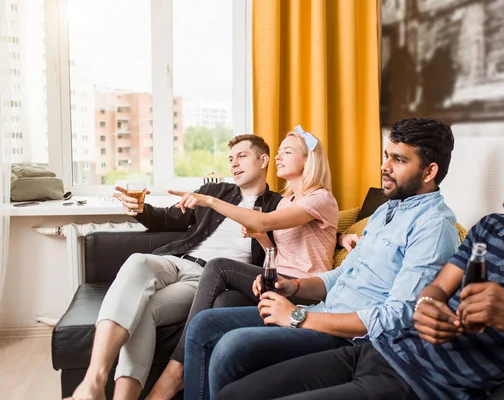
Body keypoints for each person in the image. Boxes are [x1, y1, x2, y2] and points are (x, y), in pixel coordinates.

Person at [218, 124, 504, 400]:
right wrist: (431, 306)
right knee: (237, 392)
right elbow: (435, 287)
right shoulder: (491, 229)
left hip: (418, 383)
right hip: (376, 350)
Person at [182, 117, 461, 400]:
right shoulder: (386, 212)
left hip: (349, 336)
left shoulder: (434, 227)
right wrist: (295, 287)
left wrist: (296, 316)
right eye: (386, 156)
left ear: (429, 171)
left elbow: (396, 318)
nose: (384, 166)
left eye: (398, 160)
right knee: (204, 324)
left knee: (232, 346)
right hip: (323, 311)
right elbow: (340, 275)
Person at [66, 134, 282, 400]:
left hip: (210, 280)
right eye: (230, 158)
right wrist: (141, 209)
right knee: (137, 260)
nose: (234, 163)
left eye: (242, 156)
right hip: (177, 261)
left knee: (146, 309)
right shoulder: (213, 192)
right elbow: (167, 219)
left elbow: (289, 250)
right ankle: (94, 381)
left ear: (263, 160)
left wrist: (341, 237)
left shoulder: (277, 206)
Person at [146, 126, 339, 399]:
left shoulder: (320, 198)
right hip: (277, 280)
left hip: (305, 290)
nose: (279, 157)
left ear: (308, 160)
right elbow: (281, 247)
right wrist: (262, 238)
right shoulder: (287, 202)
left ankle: (175, 371)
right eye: (279, 151)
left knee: (219, 266)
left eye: (287, 152)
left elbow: (265, 221)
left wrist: (211, 200)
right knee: (224, 304)